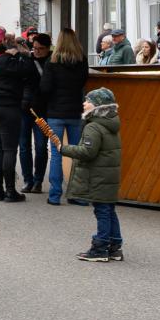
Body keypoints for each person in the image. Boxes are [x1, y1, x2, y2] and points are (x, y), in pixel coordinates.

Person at [55, 88, 123, 262]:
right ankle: (114, 246)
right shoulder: (110, 122)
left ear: (97, 105)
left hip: (98, 176)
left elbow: (87, 152)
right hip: (108, 176)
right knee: (108, 210)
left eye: (88, 100)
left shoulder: (94, 126)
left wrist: (64, 149)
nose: (84, 103)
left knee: (102, 211)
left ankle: (100, 248)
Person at [0, 28, 37, 202]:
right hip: (7, 108)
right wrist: (17, 53)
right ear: (1, 41)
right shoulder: (6, 60)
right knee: (10, 149)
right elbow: (28, 71)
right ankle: (10, 191)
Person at [37, 28, 90, 205]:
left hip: (55, 113)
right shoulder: (82, 61)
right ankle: (77, 194)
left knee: (57, 154)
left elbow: (44, 89)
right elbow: (83, 83)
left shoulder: (52, 63)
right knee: (77, 154)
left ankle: (54, 195)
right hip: (75, 112)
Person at [18, 33, 51, 194]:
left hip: (42, 110)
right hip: (24, 108)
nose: (36, 51)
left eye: (40, 49)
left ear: (48, 48)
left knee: (40, 146)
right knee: (24, 146)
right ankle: (27, 180)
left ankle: (38, 181)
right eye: (34, 48)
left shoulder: (52, 62)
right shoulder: (26, 60)